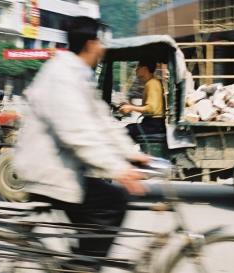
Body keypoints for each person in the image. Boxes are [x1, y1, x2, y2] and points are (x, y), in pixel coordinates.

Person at [13, 16, 149, 270]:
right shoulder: (62, 76)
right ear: (90, 44)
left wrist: (132, 155)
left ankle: (81, 263)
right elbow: (77, 133)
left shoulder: (78, 75)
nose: (103, 48)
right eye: (100, 42)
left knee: (101, 212)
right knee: (111, 202)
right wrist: (118, 170)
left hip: (63, 167)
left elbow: (101, 121)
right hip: (48, 170)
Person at [120, 61, 166, 142]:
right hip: (153, 124)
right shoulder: (151, 83)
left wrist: (131, 107)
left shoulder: (152, 83)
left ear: (145, 69)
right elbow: (148, 108)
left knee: (125, 131)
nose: (136, 70)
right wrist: (130, 105)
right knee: (129, 128)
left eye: (138, 68)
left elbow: (151, 109)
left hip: (154, 125)